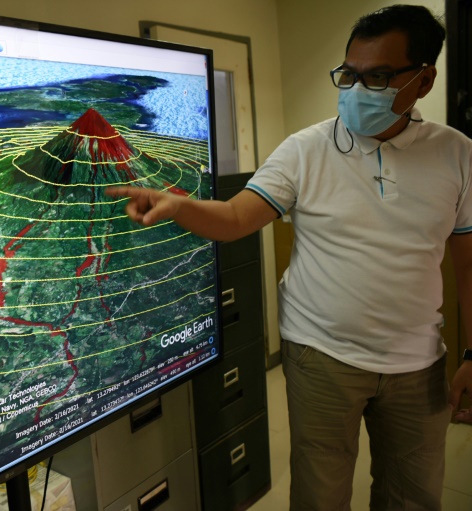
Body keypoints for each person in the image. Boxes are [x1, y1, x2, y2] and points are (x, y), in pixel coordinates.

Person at [107, 5, 472, 510]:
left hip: (418, 364)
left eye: (378, 77)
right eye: (349, 74)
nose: (357, 90)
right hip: (321, 356)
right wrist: (179, 206)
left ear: (424, 80)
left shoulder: (456, 153)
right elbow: (236, 217)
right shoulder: (305, 150)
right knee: (320, 496)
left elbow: (468, 265)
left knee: (413, 496)